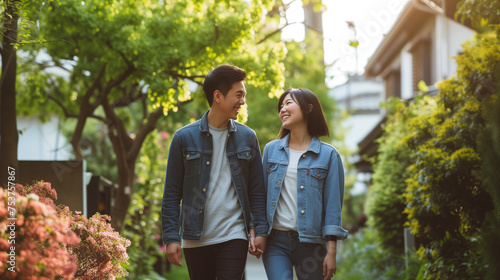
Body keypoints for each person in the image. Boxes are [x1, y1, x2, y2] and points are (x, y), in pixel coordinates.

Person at [161, 64, 268, 279]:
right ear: (218, 96)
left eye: (243, 95)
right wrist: (171, 238)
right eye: (239, 95)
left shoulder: (248, 137)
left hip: (233, 234)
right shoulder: (183, 138)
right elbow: (172, 194)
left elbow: (256, 190)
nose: (243, 101)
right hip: (195, 237)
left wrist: (260, 230)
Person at [257, 88, 348, 280]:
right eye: (281, 106)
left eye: (288, 103)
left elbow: (333, 207)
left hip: (312, 244)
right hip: (276, 242)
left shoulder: (329, 155)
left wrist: (331, 252)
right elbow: (260, 195)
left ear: (308, 108)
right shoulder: (271, 150)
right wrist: (258, 232)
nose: (283, 109)